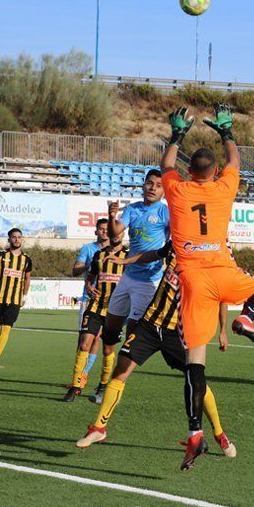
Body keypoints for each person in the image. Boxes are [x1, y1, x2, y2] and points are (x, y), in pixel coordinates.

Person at [161, 104, 254, 470]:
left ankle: (195, 433)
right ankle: (247, 318)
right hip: (224, 270)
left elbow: (166, 165)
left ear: (189, 171)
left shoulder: (176, 191)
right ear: (213, 173)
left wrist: (176, 135)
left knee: (196, 363)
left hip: (193, 278)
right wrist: (227, 131)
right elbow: (235, 159)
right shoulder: (226, 188)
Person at [76, 245, 237, 458]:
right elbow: (156, 254)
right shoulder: (180, 243)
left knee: (198, 382)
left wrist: (223, 330)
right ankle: (98, 428)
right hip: (150, 324)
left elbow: (222, 297)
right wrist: (128, 261)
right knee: (121, 369)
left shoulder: (217, 259)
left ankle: (219, 434)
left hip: (180, 331)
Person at [92, 171, 170, 402]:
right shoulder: (133, 209)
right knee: (110, 331)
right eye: (149, 183)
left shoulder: (166, 212)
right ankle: (107, 378)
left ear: (164, 190)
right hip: (127, 277)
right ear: (143, 186)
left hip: (149, 280)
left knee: (132, 339)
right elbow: (116, 233)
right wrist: (111, 215)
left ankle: (111, 386)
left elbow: (174, 238)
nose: (153, 188)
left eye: (158, 185)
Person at [62, 231, 128, 401]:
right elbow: (90, 277)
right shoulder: (99, 255)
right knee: (84, 344)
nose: (114, 235)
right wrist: (89, 286)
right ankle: (75, 386)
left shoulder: (128, 256)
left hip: (115, 311)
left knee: (108, 349)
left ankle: (102, 386)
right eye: (112, 233)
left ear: (122, 234)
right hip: (94, 307)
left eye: (117, 232)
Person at [68, 217, 109, 389]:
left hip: (108, 302)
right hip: (88, 300)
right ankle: (78, 376)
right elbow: (75, 271)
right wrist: (89, 266)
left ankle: (82, 376)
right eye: (101, 229)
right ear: (96, 231)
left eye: (107, 229)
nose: (104, 231)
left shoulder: (118, 252)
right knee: (84, 340)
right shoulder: (88, 248)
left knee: (97, 339)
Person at [0, 228, 33, 368]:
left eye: (19, 237)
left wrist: (24, 295)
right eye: (14, 237)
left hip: (15, 300)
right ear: (9, 239)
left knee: (6, 327)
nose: (17, 239)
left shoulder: (26, 260)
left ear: (22, 239)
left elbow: (27, 279)